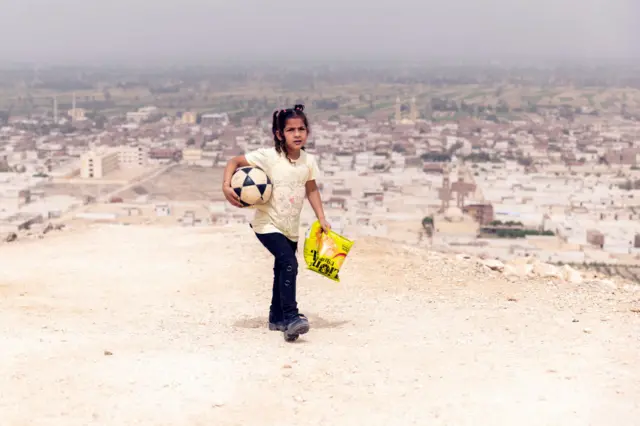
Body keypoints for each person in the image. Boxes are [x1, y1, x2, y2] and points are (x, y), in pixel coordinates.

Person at [221, 104, 330, 339]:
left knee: (282, 268)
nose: (298, 134)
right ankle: (291, 316)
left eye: (302, 129)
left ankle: (276, 316)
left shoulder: (308, 161)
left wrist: (322, 217)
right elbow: (234, 161)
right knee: (289, 262)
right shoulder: (268, 157)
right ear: (280, 134)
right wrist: (226, 186)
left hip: (290, 227)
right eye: (291, 130)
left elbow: (311, 189)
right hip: (267, 224)